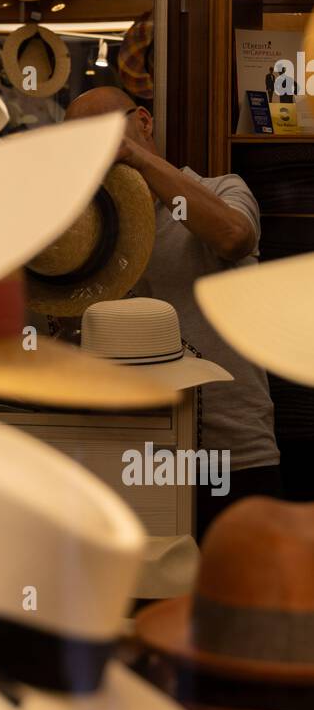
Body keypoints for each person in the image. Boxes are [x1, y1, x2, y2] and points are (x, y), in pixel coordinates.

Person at [64, 85, 280, 534]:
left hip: (232, 451)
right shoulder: (92, 228)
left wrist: (136, 160)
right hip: (135, 453)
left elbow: (234, 237)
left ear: (143, 121)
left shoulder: (221, 188)